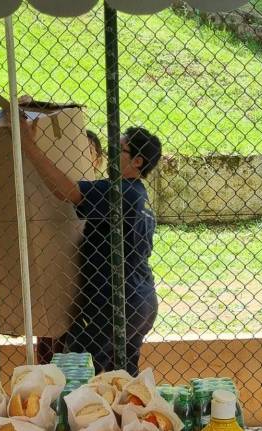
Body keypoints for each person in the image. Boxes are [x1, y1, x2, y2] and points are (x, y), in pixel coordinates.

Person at [21, 119, 162, 375]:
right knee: (120, 378)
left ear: (137, 161)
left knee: (74, 374)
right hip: (141, 299)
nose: (110, 155)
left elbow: (67, 191)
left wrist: (28, 144)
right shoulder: (139, 194)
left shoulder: (121, 191)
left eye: (118, 150)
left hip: (115, 302)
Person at [36, 129, 105, 365]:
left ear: (98, 160)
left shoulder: (102, 192)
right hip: (56, 279)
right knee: (50, 348)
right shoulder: (49, 191)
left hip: (92, 289)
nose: (79, 157)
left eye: (87, 151)